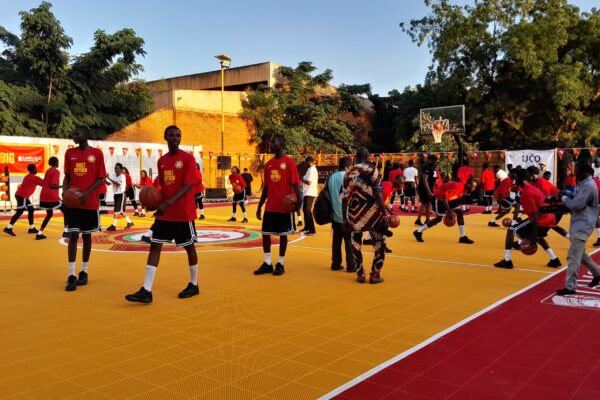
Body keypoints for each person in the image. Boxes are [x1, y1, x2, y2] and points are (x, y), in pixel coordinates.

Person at [125, 125, 199, 304]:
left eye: (178, 135)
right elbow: (163, 188)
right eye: (172, 135)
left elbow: (188, 185)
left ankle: (194, 284)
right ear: (165, 137)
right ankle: (146, 290)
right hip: (165, 213)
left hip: (183, 213)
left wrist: (168, 203)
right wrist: (155, 203)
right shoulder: (162, 161)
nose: (175, 138)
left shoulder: (188, 159)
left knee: (189, 247)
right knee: (155, 246)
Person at [63, 126, 106, 291]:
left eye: (77, 133)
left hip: (89, 202)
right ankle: (71, 275)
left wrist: (86, 193)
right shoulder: (69, 153)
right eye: (72, 133)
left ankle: (84, 271)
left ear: (86, 135)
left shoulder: (96, 153)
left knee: (87, 236)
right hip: (73, 202)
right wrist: (65, 192)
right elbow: (67, 176)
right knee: (73, 235)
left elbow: (100, 178)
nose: (73, 136)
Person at [493, 168, 562, 269]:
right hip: (549, 218)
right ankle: (554, 259)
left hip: (541, 219)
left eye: (516, 177)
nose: (514, 180)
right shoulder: (530, 188)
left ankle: (507, 261)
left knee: (511, 230)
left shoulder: (527, 193)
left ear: (520, 178)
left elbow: (534, 217)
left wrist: (533, 237)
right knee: (539, 237)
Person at [254, 135, 302, 276]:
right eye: (270, 141)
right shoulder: (268, 164)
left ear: (281, 144)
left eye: (273, 142)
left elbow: (296, 184)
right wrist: (259, 206)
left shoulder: (289, 163)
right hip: (271, 207)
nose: (270, 144)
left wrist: (299, 202)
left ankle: (280, 263)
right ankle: (267, 263)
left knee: (283, 235)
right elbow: (266, 188)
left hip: (284, 207)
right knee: (266, 234)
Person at [343, 147, 390, 284]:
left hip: (354, 213)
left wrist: (344, 218)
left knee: (355, 243)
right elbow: (377, 193)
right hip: (373, 213)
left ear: (356, 157)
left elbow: (344, 197)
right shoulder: (372, 170)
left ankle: (360, 274)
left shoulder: (349, 173)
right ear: (368, 156)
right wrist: (384, 213)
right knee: (380, 242)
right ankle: (375, 274)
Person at [556, 159, 600, 295]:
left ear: (582, 171)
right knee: (581, 255)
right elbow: (578, 199)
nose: (573, 171)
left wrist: (564, 199)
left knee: (573, 257)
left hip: (583, 224)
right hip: (580, 223)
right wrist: (568, 194)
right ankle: (597, 273)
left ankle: (570, 287)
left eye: (575, 169)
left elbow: (577, 204)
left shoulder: (588, 186)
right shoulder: (584, 184)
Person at [413, 174, 476, 244]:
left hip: (447, 199)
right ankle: (418, 232)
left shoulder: (463, 189)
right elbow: (444, 198)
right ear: (468, 185)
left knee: (460, 212)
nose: (474, 188)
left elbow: (452, 198)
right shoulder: (458, 188)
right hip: (439, 198)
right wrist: (449, 212)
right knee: (438, 219)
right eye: (473, 186)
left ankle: (462, 237)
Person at [328, 157, 356, 272]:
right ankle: (351, 265)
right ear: (347, 167)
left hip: (334, 213)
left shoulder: (331, 177)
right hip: (347, 213)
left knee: (336, 240)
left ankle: (335, 263)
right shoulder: (348, 177)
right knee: (349, 241)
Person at [3, 163, 43, 236]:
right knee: (19, 212)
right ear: (33, 169)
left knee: (31, 209)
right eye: (35, 168)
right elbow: (44, 183)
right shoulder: (35, 178)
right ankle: (8, 228)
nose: (36, 169)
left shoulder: (27, 176)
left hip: (21, 195)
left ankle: (32, 228)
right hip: (22, 196)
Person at [37, 157, 67, 240]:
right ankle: (66, 232)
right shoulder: (56, 171)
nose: (58, 163)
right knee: (66, 211)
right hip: (51, 197)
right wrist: (63, 186)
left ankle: (39, 233)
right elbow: (53, 185)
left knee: (49, 214)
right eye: (57, 162)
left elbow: (46, 184)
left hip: (43, 196)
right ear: (55, 163)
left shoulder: (48, 170)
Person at [106, 163, 134, 231]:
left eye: (117, 168)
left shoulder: (122, 176)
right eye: (115, 168)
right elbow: (109, 183)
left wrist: (108, 177)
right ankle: (129, 222)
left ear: (121, 169)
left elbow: (117, 184)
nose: (115, 169)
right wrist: (104, 180)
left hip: (121, 194)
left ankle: (114, 225)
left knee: (116, 211)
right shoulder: (113, 175)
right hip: (116, 194)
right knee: (121, 212)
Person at [415, 155, 438, 226]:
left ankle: (427, 219)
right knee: (424, 203)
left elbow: (434, 179)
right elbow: (425, 179)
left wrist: (432, 189)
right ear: (430, 160)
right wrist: (428, 190)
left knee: (428, 203)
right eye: (433, 160)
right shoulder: (427, 167)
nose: (435, 161)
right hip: (424, 188)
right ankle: (418, 220)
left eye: (435, 160)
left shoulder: (434, 168)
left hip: (429, 188)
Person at [301, 156, 318, 235]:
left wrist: (301, 179)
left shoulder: (312, 170)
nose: (306, 164)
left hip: (310, 192)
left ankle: (312, 230)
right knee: (305, 210)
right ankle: (307, 227)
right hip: (306, 192)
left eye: (306, 162)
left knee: (308, 211)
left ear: (309, 162)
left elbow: (309, 182)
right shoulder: (309, 169)